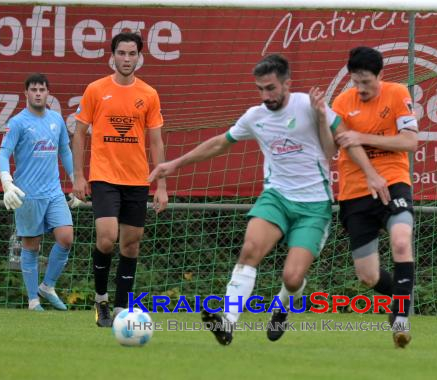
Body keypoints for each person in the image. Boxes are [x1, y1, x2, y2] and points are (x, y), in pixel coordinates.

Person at [149, 54, 381, 346]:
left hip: (313, 206)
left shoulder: (309, 106)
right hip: (276, 198)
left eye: (270, 88)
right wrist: (173, 165)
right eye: (260, 89)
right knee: (250, 250)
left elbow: (338, 144)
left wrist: (370, 173)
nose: (265, 95)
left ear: (287, 84)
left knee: (292, 279)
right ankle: (228, 320)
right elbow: (219, 142)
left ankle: (281, 307)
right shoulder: (254, 116)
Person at [72, 32, 168, 327]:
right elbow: (79, 134)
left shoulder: (148, 94)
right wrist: (78, 175)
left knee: (131, 245)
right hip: (104, 177)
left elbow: (156, 141)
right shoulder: (95, 90)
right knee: (106, 237)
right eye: (122, 53)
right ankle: (100, 300)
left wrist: (161, 185)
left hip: (137, 180)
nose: (126, 59)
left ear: (139, 57)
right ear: (112, 56)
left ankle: (120, 308)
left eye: (132, 54)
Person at [332, 46, 419, 348]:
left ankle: (401, 319)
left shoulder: (397, 94)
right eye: (356, 81)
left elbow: (410, 142)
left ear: (381, 76)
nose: (361, 88)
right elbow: (337, 145)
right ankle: (402, 294)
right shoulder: (342, 102)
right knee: (367, 276)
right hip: (355, 192)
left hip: (393, 181)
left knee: (401, 241)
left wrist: (362, 137)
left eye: (366, 81)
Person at [0, 73, 81, 311]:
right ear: (26, 93)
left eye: (42, 89)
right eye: (33, 89)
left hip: (54, 192)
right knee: (31, 246)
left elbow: (64, 151)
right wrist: (6, 182)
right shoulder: (17, 122)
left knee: (66, 238)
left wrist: (76, 180)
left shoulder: (56, 119)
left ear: (48, 93)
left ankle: (47, 286)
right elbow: (3, 155)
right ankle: (33, 301)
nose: (37, 93)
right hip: (28, 196)